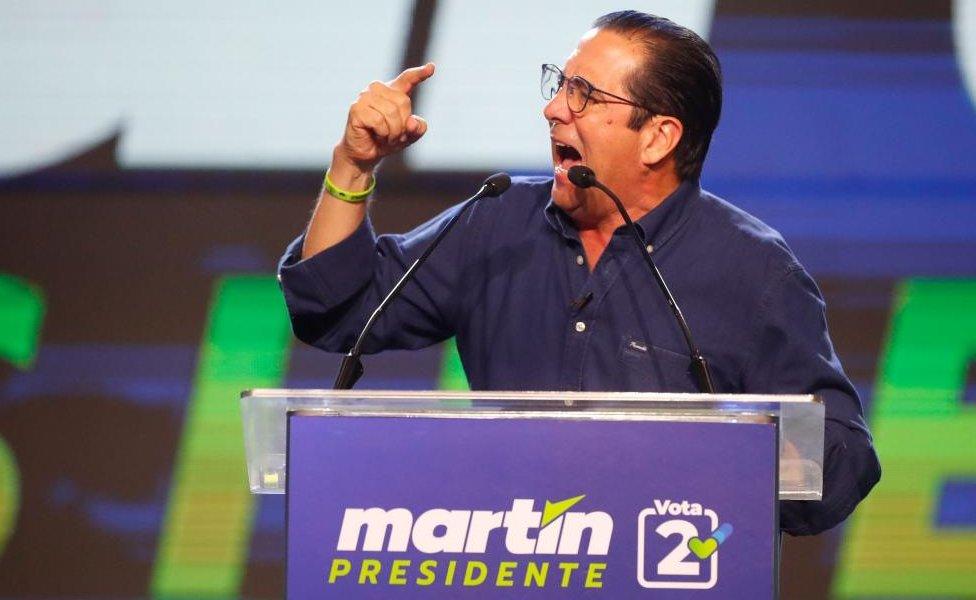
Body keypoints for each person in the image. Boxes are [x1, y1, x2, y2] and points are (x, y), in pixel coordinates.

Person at [278, 11, 880, 535]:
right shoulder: (495, 224)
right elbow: (336, 307)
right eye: (560, 85)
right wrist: (353, 166)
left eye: (584, 95)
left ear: (658, 138)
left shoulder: (753, 271)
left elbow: (840, 466)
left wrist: (726, 448)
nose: (553, 108)